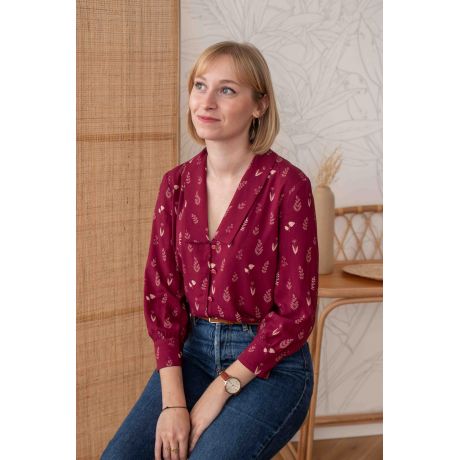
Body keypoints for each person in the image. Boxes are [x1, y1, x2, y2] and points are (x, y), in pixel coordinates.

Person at [101, 40, 318, 460]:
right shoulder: (176, 185)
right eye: (200, 85)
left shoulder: (288, 186)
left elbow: (296, 313)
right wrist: (173, 404)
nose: (207, 101)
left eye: (227, 90)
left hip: (272, 366)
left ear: (260, 105)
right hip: (193, 353)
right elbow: (162, 296)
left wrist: (221, 390)